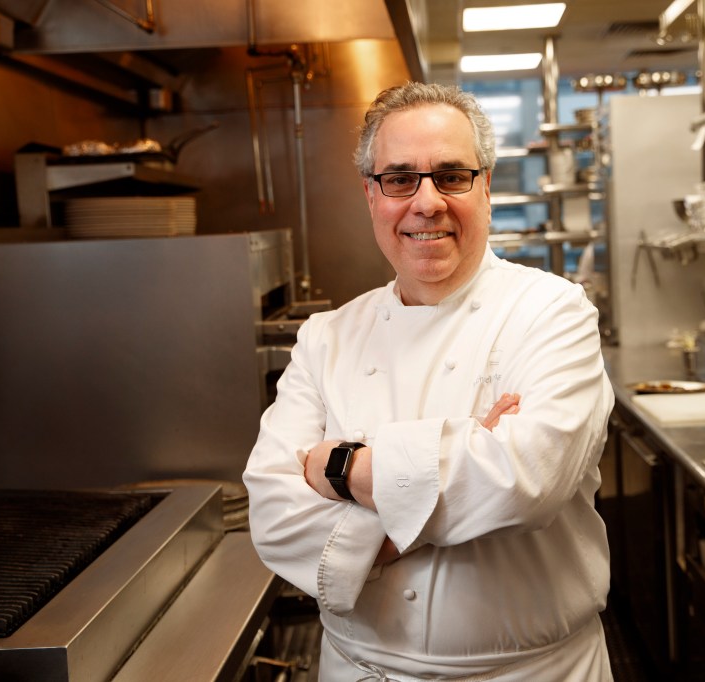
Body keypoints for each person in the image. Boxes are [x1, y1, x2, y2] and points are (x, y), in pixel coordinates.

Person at [243, 82, 615, 681]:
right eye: (399, 179)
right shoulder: (325, 337)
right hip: (359, 670)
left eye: (451, 176)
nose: (427, 202)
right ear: (371, 194)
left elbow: (525, 481)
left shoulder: (552, 312)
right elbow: (273, 512)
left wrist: (339, 468)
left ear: (486, 186)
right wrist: (464, 459)